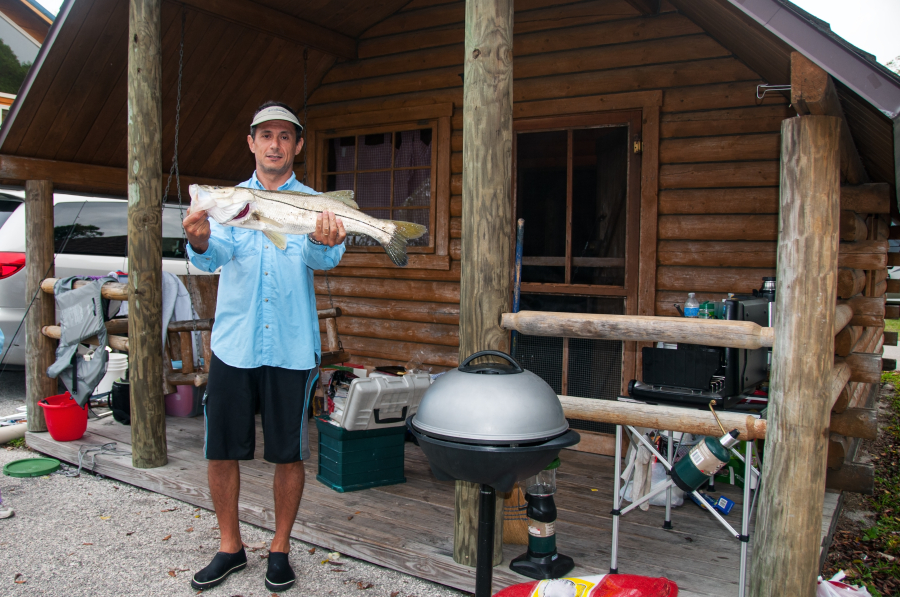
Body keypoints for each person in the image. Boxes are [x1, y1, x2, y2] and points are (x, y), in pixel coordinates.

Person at [182, 102, 346, 592]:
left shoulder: (318, 202)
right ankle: (229, 547)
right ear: (251, 143)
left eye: (284, 136)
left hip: (293, 346)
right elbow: (218, 255)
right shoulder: (232, 200)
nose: (275, 144)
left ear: (296, 145)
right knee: (220, 450)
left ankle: (279, 549)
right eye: (265, 135)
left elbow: (327, 256)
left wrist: (322, 238)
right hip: (234, 345)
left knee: (288, 454)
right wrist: (200, 239)